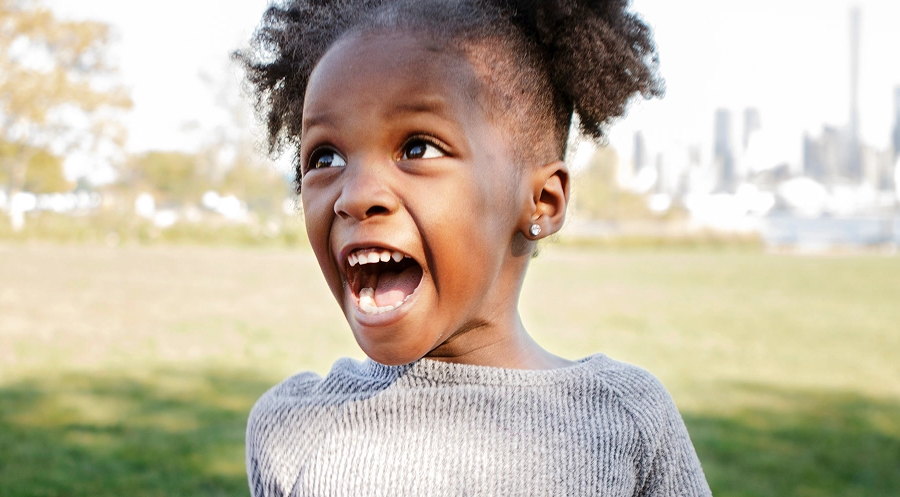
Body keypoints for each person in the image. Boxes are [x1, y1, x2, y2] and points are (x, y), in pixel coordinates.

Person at [235, 0, 710, 494]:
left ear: (542, 202)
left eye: (417, 148)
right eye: (325, 156)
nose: (355, 197)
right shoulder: (291, 430)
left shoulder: (624, 421)